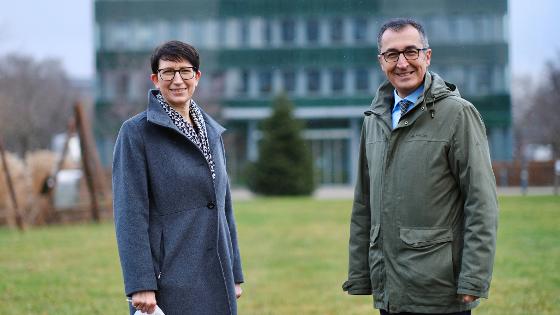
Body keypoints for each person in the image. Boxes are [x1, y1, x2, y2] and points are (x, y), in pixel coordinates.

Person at [342, 18, 498, 315]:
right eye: (392, 54)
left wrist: (473, 279)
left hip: (439, 290)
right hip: (390, 289)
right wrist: (362, 273)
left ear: (427, 56)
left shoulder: (458, 114)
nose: (402, 63)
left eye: (411, 52)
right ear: (381, 61)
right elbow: (363, 204)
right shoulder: (373, 120)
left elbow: (482, 202)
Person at [113, 40, 244, 315]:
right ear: (155, 78)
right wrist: (140, 283)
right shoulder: (136, 133)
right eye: (168, 72)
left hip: (216, 275)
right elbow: (130, 214)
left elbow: (224, 207)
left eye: (185, 71)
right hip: (169, 279)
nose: (177, 80)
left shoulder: (212, 132)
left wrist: (233, 272)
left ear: (197, 77)